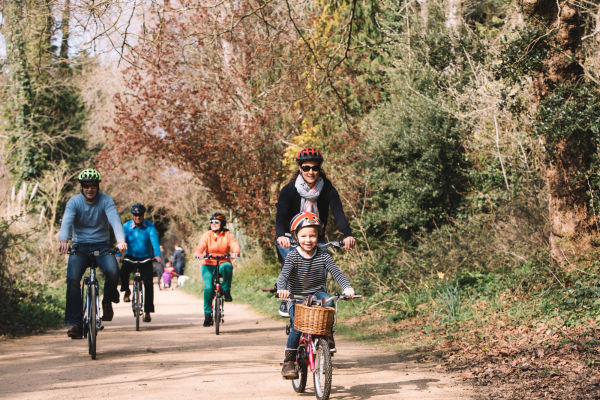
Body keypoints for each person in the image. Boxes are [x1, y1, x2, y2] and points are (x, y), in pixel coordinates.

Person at [275, 146, 356, 316]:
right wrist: (281, 235)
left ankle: (319, 299)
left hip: (316, 235)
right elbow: (281, 215)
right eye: (306, 168)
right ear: (300, 168)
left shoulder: (327, 189)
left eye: (315, 168)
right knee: (291, 262)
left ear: (319, 169)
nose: (311, 172)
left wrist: (347, 234)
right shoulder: (289, 190)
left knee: (324, 265)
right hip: (292, 236)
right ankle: (287, 299)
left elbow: (338, 212)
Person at [277, 211, 355, 379]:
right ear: (296, 236)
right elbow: (283, 276)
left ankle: (327, 335)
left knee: (329, 303)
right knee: (298, 328)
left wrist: (347, 288)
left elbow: (337, 273)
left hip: (316, 292)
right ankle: (289, 362)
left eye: (312, 235)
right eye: (303, 235)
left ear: (318, 235)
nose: (308, 240)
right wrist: (282, 289)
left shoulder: (323, 256)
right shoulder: (292, 256)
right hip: (296, 296)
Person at [59, 168, 127, 339]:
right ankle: (76, 323)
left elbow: (115, 221)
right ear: (81, 187)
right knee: (73, 279)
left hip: (102, 245)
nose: (90, 189)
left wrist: (120, 240)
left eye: (93, 186)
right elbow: (67, 220)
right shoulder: (74, 202)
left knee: (113, 271)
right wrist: (63, 240)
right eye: (86, 186)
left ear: (98, 187)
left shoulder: (106, 201)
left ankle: (107, 301)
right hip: (80, 246)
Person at [193, 212, 241, 327]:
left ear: (222, 223)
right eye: (211, 222)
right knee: (208, 288)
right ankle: (208, 315)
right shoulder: (207, 235)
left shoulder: (227, 234)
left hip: (223, 261)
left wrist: (235, 252)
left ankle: (226, 290)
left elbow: (234, 244)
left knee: (228, 267)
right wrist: (199, 253)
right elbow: (201, 245)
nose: (213, 224)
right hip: (208, 264)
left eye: (216, 222)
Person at [117, 203, 162, 322]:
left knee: (148, 283)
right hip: (130, 256)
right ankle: (126, 290)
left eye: (140, 215)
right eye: (136, 215)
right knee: (123, 271)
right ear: (132, 215)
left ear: (143, 215)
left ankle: (147, 312)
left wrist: (157, 255)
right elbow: (121, 243)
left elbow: (154, 242)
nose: (138, 217)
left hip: (145, 258)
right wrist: (117, 255)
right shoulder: (126, 227)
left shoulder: (149, 227)